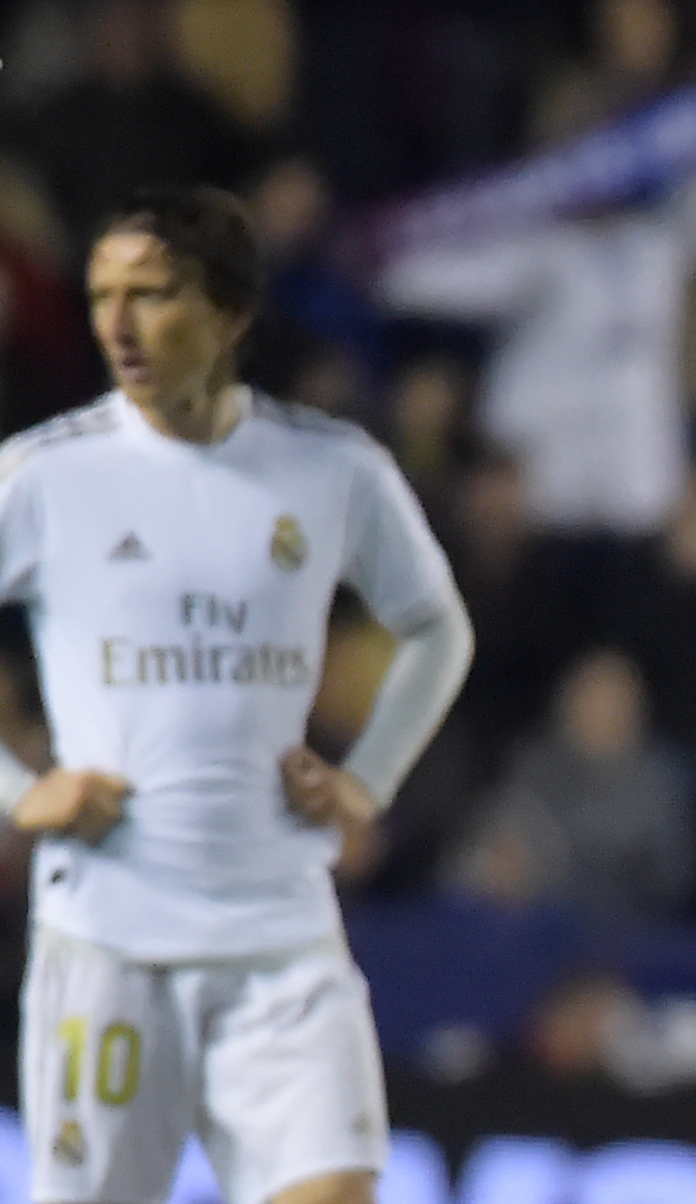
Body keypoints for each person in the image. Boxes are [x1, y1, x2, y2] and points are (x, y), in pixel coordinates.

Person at [0, 187, 474, 1204]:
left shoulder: (331, 468)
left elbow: (440, 628)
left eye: (153, 294)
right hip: (111, 940)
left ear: (229, 314)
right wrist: (15, 789)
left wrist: (369, 777)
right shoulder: (46, 475)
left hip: (282, 939)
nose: (117, 324)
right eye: (101, 296)